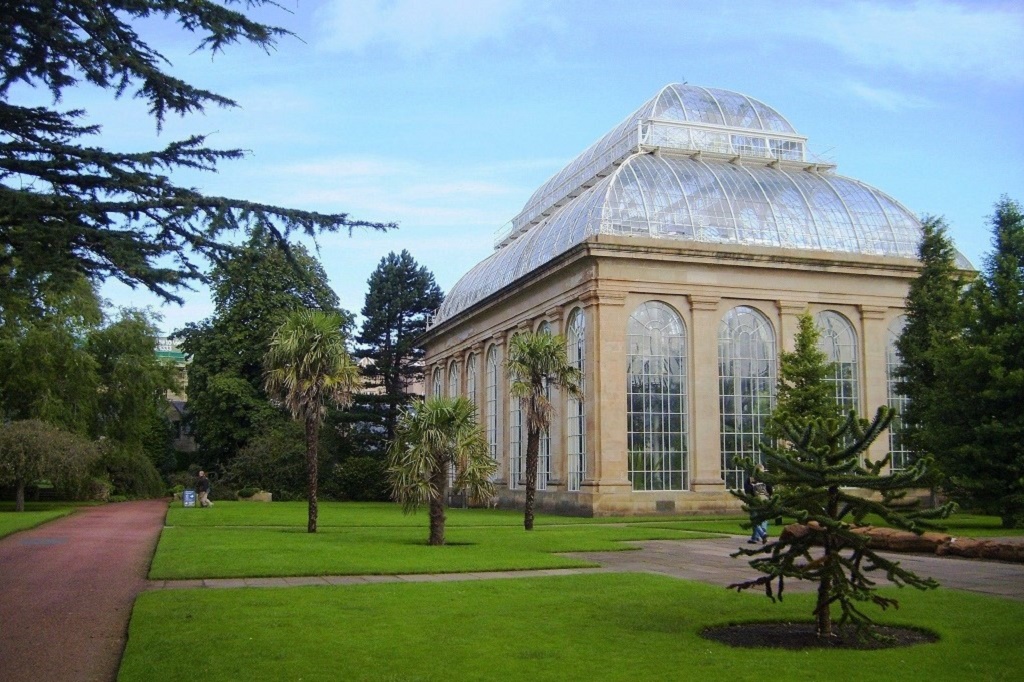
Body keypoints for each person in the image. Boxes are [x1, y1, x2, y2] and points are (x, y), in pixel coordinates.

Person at [744, 468, 772, 544]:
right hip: (765, 501)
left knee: (754, 519)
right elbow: (770, 489)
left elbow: (747, 491)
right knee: (764, 519)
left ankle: (762, 534)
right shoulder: (766, 480)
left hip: (754, 502)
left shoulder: (749, 480)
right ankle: (756, 537)